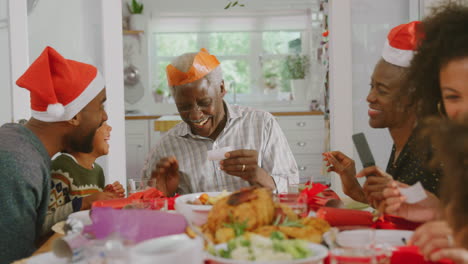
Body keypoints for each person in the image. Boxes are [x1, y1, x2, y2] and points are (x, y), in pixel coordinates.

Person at [0, 46, 108, 263]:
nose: (104, 117)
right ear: (74, 116)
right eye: (100, 106)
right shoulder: (19, 165)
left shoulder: (20, 141)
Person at [142, 48, 298, 196]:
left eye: (204, 102)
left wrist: (259, 175)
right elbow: (146, 204)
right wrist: (161, 194)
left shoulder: (262, 124)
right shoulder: (166, 147)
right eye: (184, 107)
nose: (196, 115)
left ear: (221, 88)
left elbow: (293, 187)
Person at [323, 21, 441, 207]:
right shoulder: (403, 142)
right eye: (372, 86)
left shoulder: (433, 149)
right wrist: (356, 189)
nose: (370, 97)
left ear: (415, 97)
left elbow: (437, 214)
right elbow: (401, 210)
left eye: (382, 91)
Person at [43, 122, 124, 233]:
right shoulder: (62, 167)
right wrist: (85, 202)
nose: (110, 128)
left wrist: (107, 198)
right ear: (82, 133)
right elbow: (44, 223)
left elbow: (89, 218)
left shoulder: (98, 171)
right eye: (101, 124)